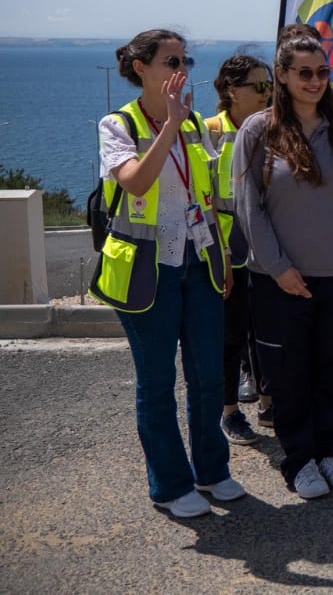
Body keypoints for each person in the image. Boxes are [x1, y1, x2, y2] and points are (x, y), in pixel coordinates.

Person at [93, 29, 240, 518]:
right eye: (170, 60)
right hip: (143, 270)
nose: (181, 68)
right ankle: (171, 486)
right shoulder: (118, 124)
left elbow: (207, 197)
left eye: (186, 60)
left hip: (198, 265)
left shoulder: (196, 124)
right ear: (142, 68)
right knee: (156, 384)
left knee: (208, 378)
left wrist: (220, 262)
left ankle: (212, 472)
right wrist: (170, 127)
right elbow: (135, 180)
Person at [236, 35, 333, 496]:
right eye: (304, 72)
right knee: (289, 375)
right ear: (281, 75)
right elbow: (250, 209)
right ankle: (298, 459)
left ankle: (330, 451)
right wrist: (279, 268)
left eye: (322, 73)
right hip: (281, 281)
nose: (315, 81)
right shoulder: (258, 131)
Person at [207, 54, 273, 446]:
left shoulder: (273, 128)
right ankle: (230, 411)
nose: (268, 93)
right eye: (260, 86)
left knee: (265, 331)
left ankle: (268, 403)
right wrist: (220, 252)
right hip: (224, 249)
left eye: (270, 86)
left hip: (264, 244)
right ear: (232, 91)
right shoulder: (209, 131)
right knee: (231, 336)